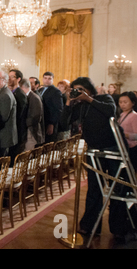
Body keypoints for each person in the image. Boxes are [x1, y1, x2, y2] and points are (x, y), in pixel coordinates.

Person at [60, 77, 130, 239]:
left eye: (81, 89)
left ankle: (118, 227)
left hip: (113, 150)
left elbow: (110, 111)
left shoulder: (102, 98)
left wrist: (88, 99)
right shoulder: (80, 106)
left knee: (116, 189)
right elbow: (64, 123)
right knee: (94, 189)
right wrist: (70, 102)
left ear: (89, 89)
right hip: (94, 151)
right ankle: (90, 226)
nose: (79, 92)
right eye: (75, 90)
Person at [0, 70, 18, 158]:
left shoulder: (5, 95)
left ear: (5, 81)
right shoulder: (0, 92)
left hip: (3, 137)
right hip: (1, 135)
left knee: (0, 167)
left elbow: (2, 118)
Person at [8, 69, 28, 162]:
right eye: (9, 76)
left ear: (18, 79)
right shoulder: (12, 92)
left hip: (18, 130)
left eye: (12, 76)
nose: (9, 78)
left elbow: (19, 115)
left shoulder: (20, 94)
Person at [20, 78, 45, 150]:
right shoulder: (28, 96)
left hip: (32, 132)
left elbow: (35, 117)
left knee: (29, 153)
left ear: (22, 87)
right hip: (28, 131)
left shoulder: (34, 98)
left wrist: (23, 122)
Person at [38, 72, 63, 143]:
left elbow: (58, 109)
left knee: (48, 143)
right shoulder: (40, 90)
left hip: (49, 122)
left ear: (53, 80)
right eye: (45, 78)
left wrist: (51, 124)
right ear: (42, 79)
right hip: (41, 121)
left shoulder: (56, 91)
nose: (47, 80)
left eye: (49, 79)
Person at [118, 91, 137, 169]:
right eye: (120, 102)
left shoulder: (134, 116)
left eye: (125, 102)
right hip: (123, 147)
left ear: (132, 103)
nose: (122, 104)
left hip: (132, 149)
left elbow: (136, 136)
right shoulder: (121, 114)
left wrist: (123, 134)